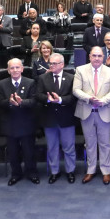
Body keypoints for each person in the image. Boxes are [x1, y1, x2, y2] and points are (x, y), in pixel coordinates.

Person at [73, 46, 110, 185]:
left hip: (104, 112)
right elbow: (76, 90)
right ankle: (91, 170)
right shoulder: (80, 70)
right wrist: (89, 99)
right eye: (94, 56)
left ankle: (106, 171)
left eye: (99, 56)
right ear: (89, 56)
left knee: (105, 144)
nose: (97, 58)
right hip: (87, 112)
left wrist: (102, 101)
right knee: (90, 144)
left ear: (103, 57)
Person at [35, 52, 76, 184]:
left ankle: (70, 171)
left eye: (54, 63)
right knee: (52, 147)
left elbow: (74, 97)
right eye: (50, 63)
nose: (51, 65)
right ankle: (54, 172)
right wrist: (47, 99)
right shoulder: (43, 78)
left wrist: (60, 100)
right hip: (49, 118)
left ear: (62, 64)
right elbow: (38, 95)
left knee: (69, 147)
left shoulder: (71, 78)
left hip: (67, 118)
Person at [0, 58, 39, 185]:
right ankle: (16, 174)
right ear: (8, 70)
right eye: (12, 68)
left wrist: (22, 103)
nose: (15, 70)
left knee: (29, 151)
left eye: (17, 67)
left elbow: (34, 101)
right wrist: (9, 102)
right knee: (13, 152)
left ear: (22, 68)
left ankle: (32, 173)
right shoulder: (1, 83)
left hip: (26, 123)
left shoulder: (31, 82)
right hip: (10, 124)